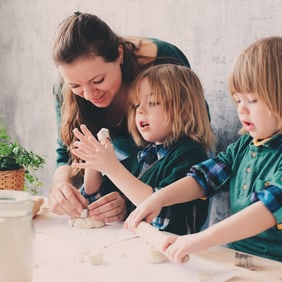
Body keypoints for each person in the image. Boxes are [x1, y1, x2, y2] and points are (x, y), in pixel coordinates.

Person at [124, 36, 282, 262]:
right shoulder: (244, 145)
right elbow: (203, 179)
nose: (242, 111)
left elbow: (268, 209)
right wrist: (158, 199)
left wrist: (205, 238)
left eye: (252, 100)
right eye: (237, 101)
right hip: (241, 257)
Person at [48, 11, 194, 221]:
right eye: (75, 86)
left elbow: (187, 144)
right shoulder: (63, 88)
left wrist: (128, 199)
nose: (89, 95)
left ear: (119, 54)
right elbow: (67, 152)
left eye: (98, 80)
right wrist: (60, 185)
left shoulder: (164, 62)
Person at [71, 64, 214, 235]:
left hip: (174, 251)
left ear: (184, 110)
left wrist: (112, 168)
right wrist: (94, 163)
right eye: (136, 105)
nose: (141, 110)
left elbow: (158, 213)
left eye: (152, 103)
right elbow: (96, 198)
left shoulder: (190, 154)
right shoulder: (145, 156)